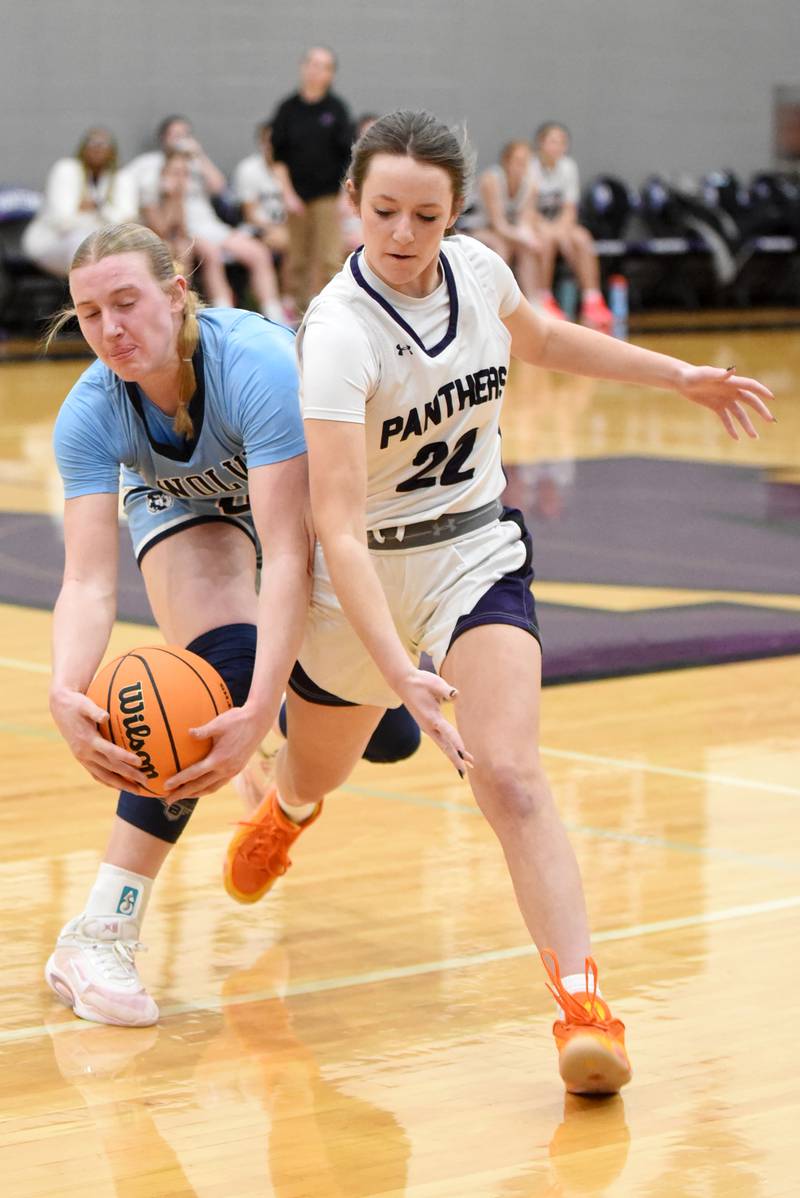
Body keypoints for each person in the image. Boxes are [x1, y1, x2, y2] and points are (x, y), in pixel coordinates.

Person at [223, 110, 775, 1095]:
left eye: (425, 215)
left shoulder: (477, 271)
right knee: (318, 769)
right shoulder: (338, 331)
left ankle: (583, 1009)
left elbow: (548, 339)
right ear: (352, 204)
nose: (402, 232)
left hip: (470, 553)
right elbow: (335, 527)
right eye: (383, 211)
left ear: (455, 214)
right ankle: (286, 807)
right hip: (357, 582)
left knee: (511, 776)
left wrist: (676, 374)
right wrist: (396, 671)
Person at [43, 222, 417, 1028]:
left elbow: (288, 555)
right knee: (210, 685)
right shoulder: (90, 411)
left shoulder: (258, 365)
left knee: (389, 735)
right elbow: (85, 580)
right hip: (184, 510)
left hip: (308, 511)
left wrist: (259, 715)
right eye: (90, 313)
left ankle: (288, 800)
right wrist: (65, 689)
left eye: (126, 302)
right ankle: (100, 930)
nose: (110, 329)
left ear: (177, 295)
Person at [125, 116, 284, 319]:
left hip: (212, 226)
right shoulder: (150, 165)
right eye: (176, 134)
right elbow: (165, 223)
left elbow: (220, 188)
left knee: (258, 253)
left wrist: (199, 156)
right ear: (164, 138)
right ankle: (223, 313)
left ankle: (275, 315)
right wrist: (173, 194)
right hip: (187, 231)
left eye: (186, 134)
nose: (182, 139)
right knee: (210, 254)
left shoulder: (196, 161)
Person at [270, 47, 354, 314]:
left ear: (331, 74)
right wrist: (287, 193)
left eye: (323, 66)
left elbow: (348, 156)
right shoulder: (287, 109)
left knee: (330, 257)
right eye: (312, 64)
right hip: (296, 197)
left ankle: (334, 312)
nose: (316, 70)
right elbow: (278, 157)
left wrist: (344, 196)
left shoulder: (336, 110)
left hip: (328, 195)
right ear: (303, 67)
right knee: (297, 259)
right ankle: (299, 315)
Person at [529, 122, 613, 329]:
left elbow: (569, 209)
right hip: (535, 225)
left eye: (562, 142)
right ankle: (544, 298)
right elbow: (527, 210)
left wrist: (559, 231)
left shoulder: (568, 167)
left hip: (561, 225)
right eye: (553, 141)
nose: (557, 146)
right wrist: (550, 231)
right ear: (540, 143)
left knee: (582, 238)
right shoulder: (530, 168)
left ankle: (592, 299)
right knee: (546, 240)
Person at [22, 128, 137, 277]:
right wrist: (103, 218)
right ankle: (85, 292)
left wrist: (95, 207)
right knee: (83, 246)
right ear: (83, 147)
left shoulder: (122, 177)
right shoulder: (66, 170)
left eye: (103, 144)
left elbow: (126, 223)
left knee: (127, 252)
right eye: (92, 143)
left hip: (101, 245)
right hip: (52, 244)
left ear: (112, 150)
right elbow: (62, 221)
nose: (97, 148)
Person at [232, 121, 293, 316]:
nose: (273, 146)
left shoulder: (292, 168)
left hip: (287, 228)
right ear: (261, 143)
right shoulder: (248, 169)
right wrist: (275, 229)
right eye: (268, 141)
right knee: (288, 244)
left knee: (305, 242)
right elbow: (250, 214)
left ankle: (292, 302)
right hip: (257, 229)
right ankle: (279, 307)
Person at [470, 139, 541, 301]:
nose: (522, 166)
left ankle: (533, 300)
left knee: (527, 249)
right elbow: (498, 224)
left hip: (504, 231)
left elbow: (525, 223)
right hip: (476, 228)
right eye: (518, 161)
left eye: (526, 162)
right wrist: (527, 239)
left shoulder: (531, 185)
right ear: (506, 161)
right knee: (501, 246)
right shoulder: (491, 179)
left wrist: (530, 239)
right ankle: (492, 300)